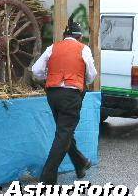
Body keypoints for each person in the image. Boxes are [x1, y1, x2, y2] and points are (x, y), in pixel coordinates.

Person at [31, 18, 97, 185]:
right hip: (71, 95)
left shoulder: (53, 47)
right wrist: (79, 79)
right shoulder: (84, 49)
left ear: (64, 35)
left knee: (65, 132)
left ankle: (80, 163)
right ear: (79, 37)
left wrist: (50, 77)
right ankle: (48, 177)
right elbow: (91, 75)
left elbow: (36, 70)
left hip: (53, 95)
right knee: (63, 134)